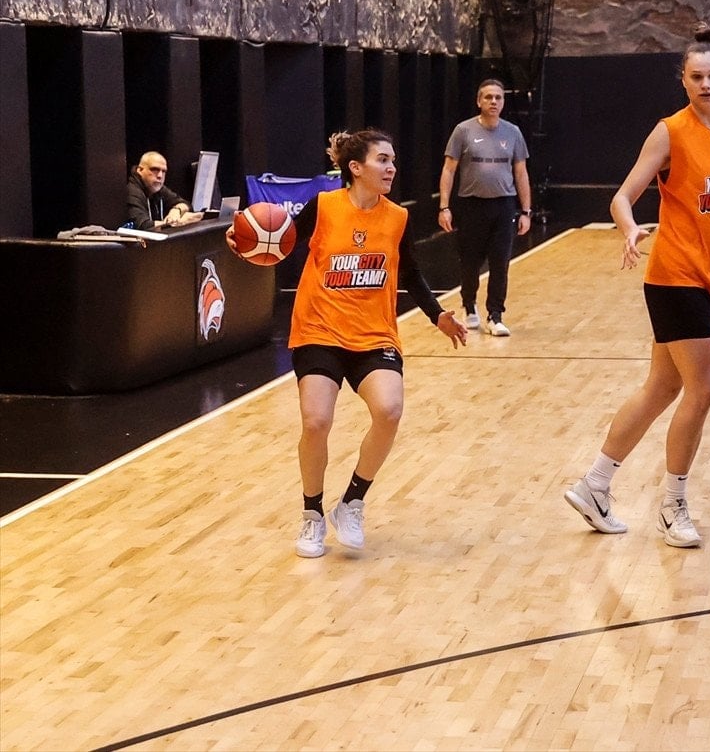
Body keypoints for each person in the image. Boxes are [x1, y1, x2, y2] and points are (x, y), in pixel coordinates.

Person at [564, 23, 710, 548]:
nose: (705, 84)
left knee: (662, 387)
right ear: (683, 79)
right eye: (696, 76)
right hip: (673, 275)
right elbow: (621, 196)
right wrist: (630, 228)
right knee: (704, 389)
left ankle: (594, 485)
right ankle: (673, 505)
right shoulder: (670, 132)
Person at [227, 129, 468, 558]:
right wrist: (244, 244)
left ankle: (351, 502)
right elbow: (277, 242)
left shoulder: (397, 217)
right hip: (319, 330)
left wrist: (438, 315)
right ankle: (312, 514)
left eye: (393, 160)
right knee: (316, 422)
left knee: (389, 411)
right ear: (355, 168)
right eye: (382, 160)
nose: (392, 168)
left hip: (374, 334)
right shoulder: (324, 206)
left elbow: (410, 272)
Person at [437, 78, 532, 337]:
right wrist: (444, 207)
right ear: (479, 101)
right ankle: (469, 305)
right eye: (488, 97)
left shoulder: (513, 133)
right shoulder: (463, 131)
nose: (493, 102)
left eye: (498, 97)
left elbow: (521, 172)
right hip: (471, 206)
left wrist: (526, 211)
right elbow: (449, 170)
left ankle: (495, 315)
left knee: (500, 262)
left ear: (503, 102)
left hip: (503, 206)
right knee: (470, 262)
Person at [125, 151, 201, 229]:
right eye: (154, 169)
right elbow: (143, 226)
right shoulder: (131, 191)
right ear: (140, 170)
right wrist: (179, 223)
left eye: (163, 171)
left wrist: (176, 210)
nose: (160, 176)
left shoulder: (157, 187)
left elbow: (185, 203)